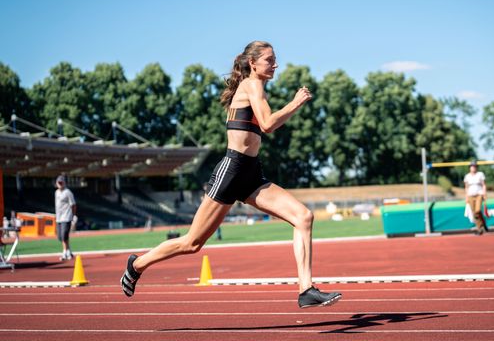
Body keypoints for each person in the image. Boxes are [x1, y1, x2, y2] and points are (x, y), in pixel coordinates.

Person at [120, 41, 342, 308]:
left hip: (251, 173)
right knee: (192, 243)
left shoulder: (255, 87)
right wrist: (295, 103)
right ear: (253, 63)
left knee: (303, 217)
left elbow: (265, 124)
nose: (275, 65)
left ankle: (306, 289)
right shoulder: (251, 84)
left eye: (275, 59)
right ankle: (138, 265)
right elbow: (268, 124)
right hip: (231, 170)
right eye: (270, 60)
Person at [54, 175, 77, 260]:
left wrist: (74, 216)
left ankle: (64, 252)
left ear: (64, 183)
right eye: (58, 182)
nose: (60, 184)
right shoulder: (56, 192)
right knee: (60, 237)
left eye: (61, 182)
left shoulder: (68, 192)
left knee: (64, 235)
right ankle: (68, 251)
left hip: (66, 217)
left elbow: (73, 204)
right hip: (59, 218)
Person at [464, 160, 487, 235]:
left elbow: (483, 184)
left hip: (479, 194)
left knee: (477, 210)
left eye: (474, 166)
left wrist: (484, 193)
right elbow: (466, 187)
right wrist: (466, 197)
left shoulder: (480, 174)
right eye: (472, 166)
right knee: (474, 213)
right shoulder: (467, 176)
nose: (473, 168)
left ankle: (482, 223)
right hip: (470, 195)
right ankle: (480, 228)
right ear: (470, 168)